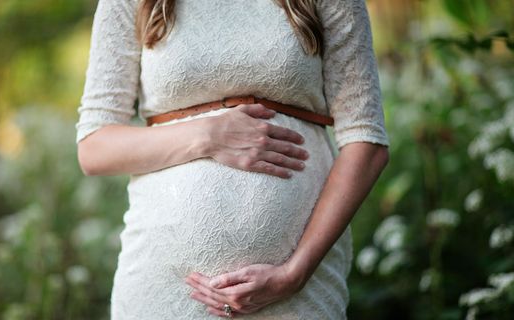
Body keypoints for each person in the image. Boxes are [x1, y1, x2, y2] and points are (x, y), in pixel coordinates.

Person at [75, 0, 390, 318]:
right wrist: (208, 136)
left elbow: (366, 141)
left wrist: (295, 273)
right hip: (162, 285)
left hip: (300, 289)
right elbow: (94, 147)